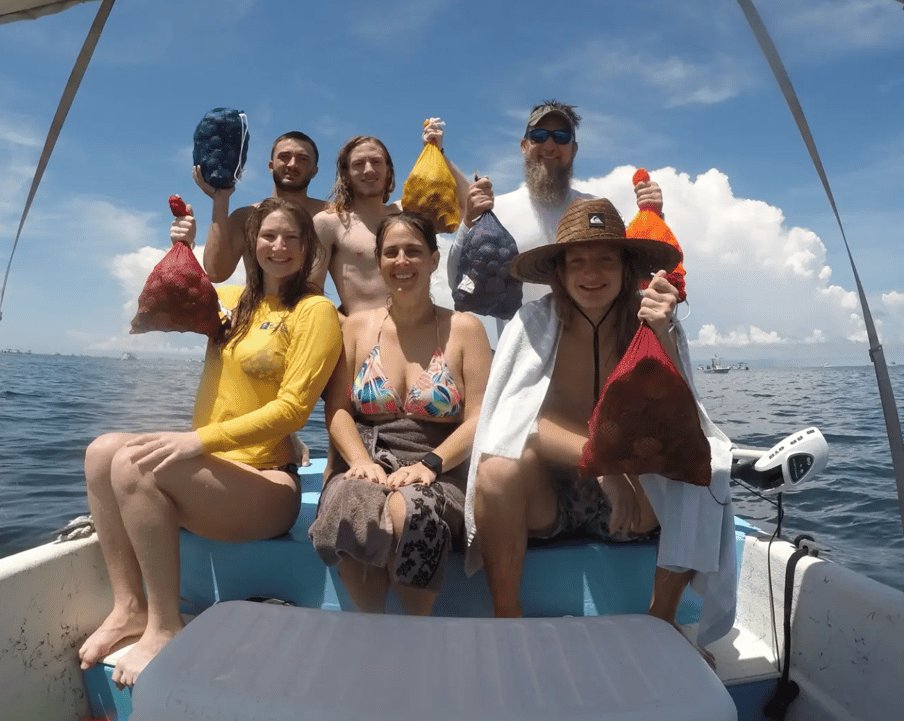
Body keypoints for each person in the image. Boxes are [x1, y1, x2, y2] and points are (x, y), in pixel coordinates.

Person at [78, 197, 342, 686]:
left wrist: (198, 440)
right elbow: (171, 299)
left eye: (291, 238)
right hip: (214, 472)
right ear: (252, 244)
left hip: (265, 485)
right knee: (101, 453)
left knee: (136, 466)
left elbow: (293, 410)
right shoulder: (235, 303)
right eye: (268, 236)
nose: (278, 246)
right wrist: (182, 246)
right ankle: (130, 606)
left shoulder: (315, 312)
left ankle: (164, 627)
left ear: (309, 250)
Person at [466, 197, 736, 651]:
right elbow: (517, 421)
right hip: (551, 495)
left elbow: (682, 418)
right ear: (560, 270)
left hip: (636, 501)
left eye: (605, 260)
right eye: (578, 262)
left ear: (628, 266)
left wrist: (664, 332)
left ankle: (662, 619)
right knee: (495, 472)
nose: (591, 274)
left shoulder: (652, 320)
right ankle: (507, 618)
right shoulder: (534, 320)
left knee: (709, 468)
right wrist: (604, 466)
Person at [309, 211, 492, 615]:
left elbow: (480, 417)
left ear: (433, 259)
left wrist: (431, 464)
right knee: (354, 498)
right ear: (379, 263)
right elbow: (337, 409)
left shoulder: (466, 329)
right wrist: (358, 461)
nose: (401, 262)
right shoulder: (356, 328)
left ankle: (415, 625)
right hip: (371, 456)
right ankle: (372, 624)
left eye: (413, 251)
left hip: (443, 467)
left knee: (410, 508)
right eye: (391, 252)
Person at [445, 100, 663, 344]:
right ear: (524, 146)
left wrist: (654, 217)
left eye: (561, 136)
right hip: (524, 367)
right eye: (538, 135)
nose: (549, 145)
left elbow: (636, 275)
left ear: (574, 149)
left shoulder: (598, 209)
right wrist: (467, 222)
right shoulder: (496, 212)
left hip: (597, 358)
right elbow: (458, 281)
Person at [312, 119, 469, 315]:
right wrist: (349, 327)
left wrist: (438, 153)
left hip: (419, 333)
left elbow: (467, 209)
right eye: (358, 164)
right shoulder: (329, 223)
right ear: (346, 174)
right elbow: (311, 293)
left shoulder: (407, 212)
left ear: (388, 170)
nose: (369, 169)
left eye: (376, 162)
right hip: (362, 339)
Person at [197, 130, 327, 282]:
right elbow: (216, 273)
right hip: (257, 305)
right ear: (271, 166)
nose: (292, 164)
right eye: (284, 157)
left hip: (312, 305)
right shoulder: (246, 217)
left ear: (314, 171)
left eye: (303, 159)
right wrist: (220, 200)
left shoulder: (329, 216)